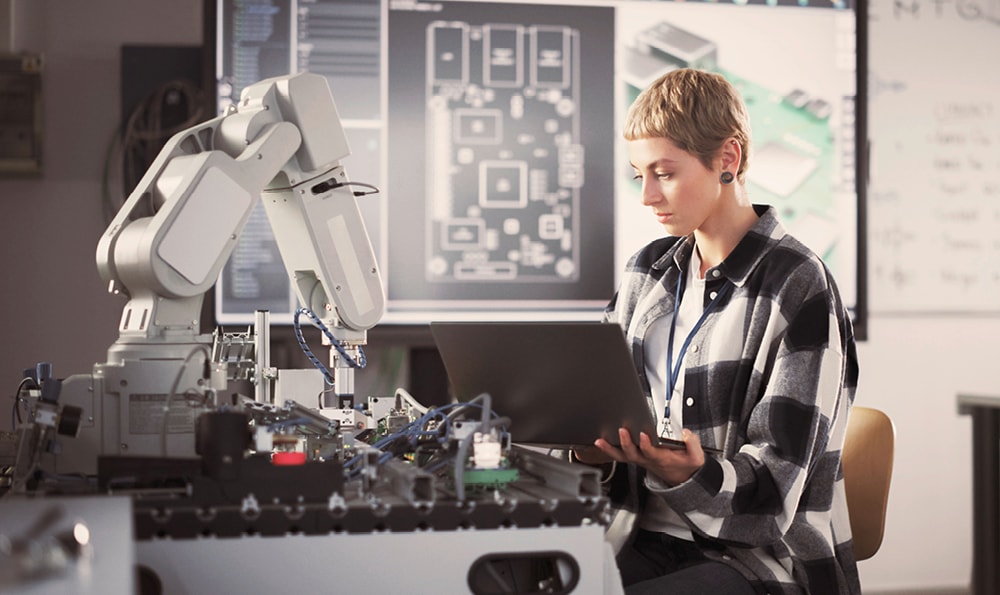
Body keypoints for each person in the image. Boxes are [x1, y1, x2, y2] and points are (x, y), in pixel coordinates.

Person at [579, 68, 860, 594]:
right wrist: (588, 446)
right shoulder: (648, 271)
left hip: (756, 558)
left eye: (664, 173)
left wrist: (689, 473)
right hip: (635, 533)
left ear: (727, 161)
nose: (648, 196)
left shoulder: (799, 285)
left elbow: (775, 490)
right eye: (640, 175)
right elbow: (597, 398)